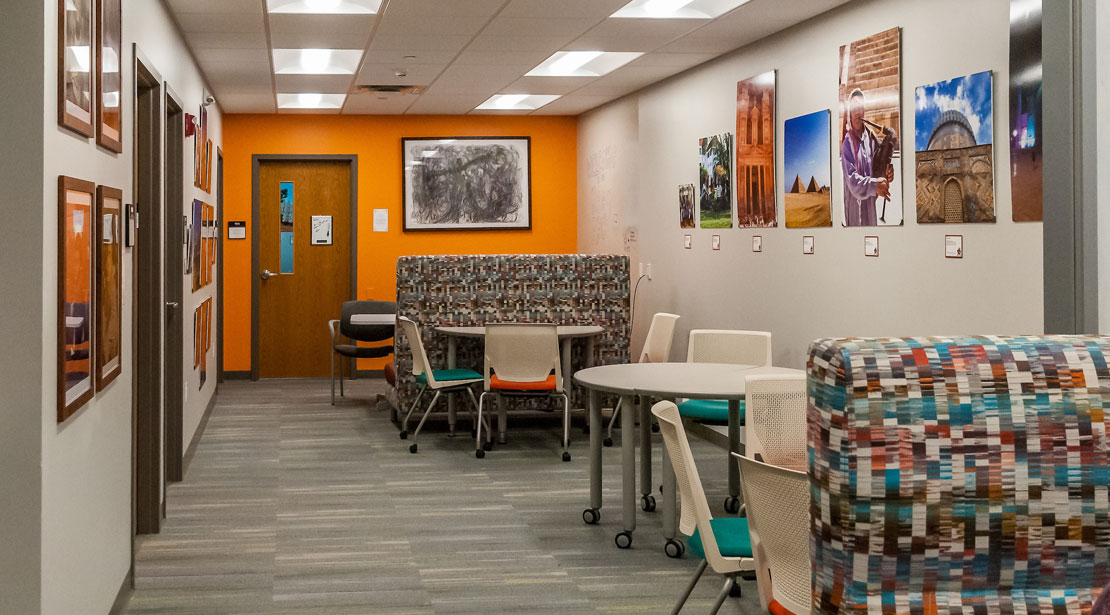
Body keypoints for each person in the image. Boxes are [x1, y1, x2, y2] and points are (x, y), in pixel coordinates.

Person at [841, 88, 893, 226]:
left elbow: (877, 169)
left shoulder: (871, 140)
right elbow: (853, 182)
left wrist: (886, 174)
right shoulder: (847, 144)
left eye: (861, 107)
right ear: (849, 113)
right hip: (854, 214)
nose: (858, 112)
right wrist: (875, 185)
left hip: (870, 210)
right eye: (854, 108)